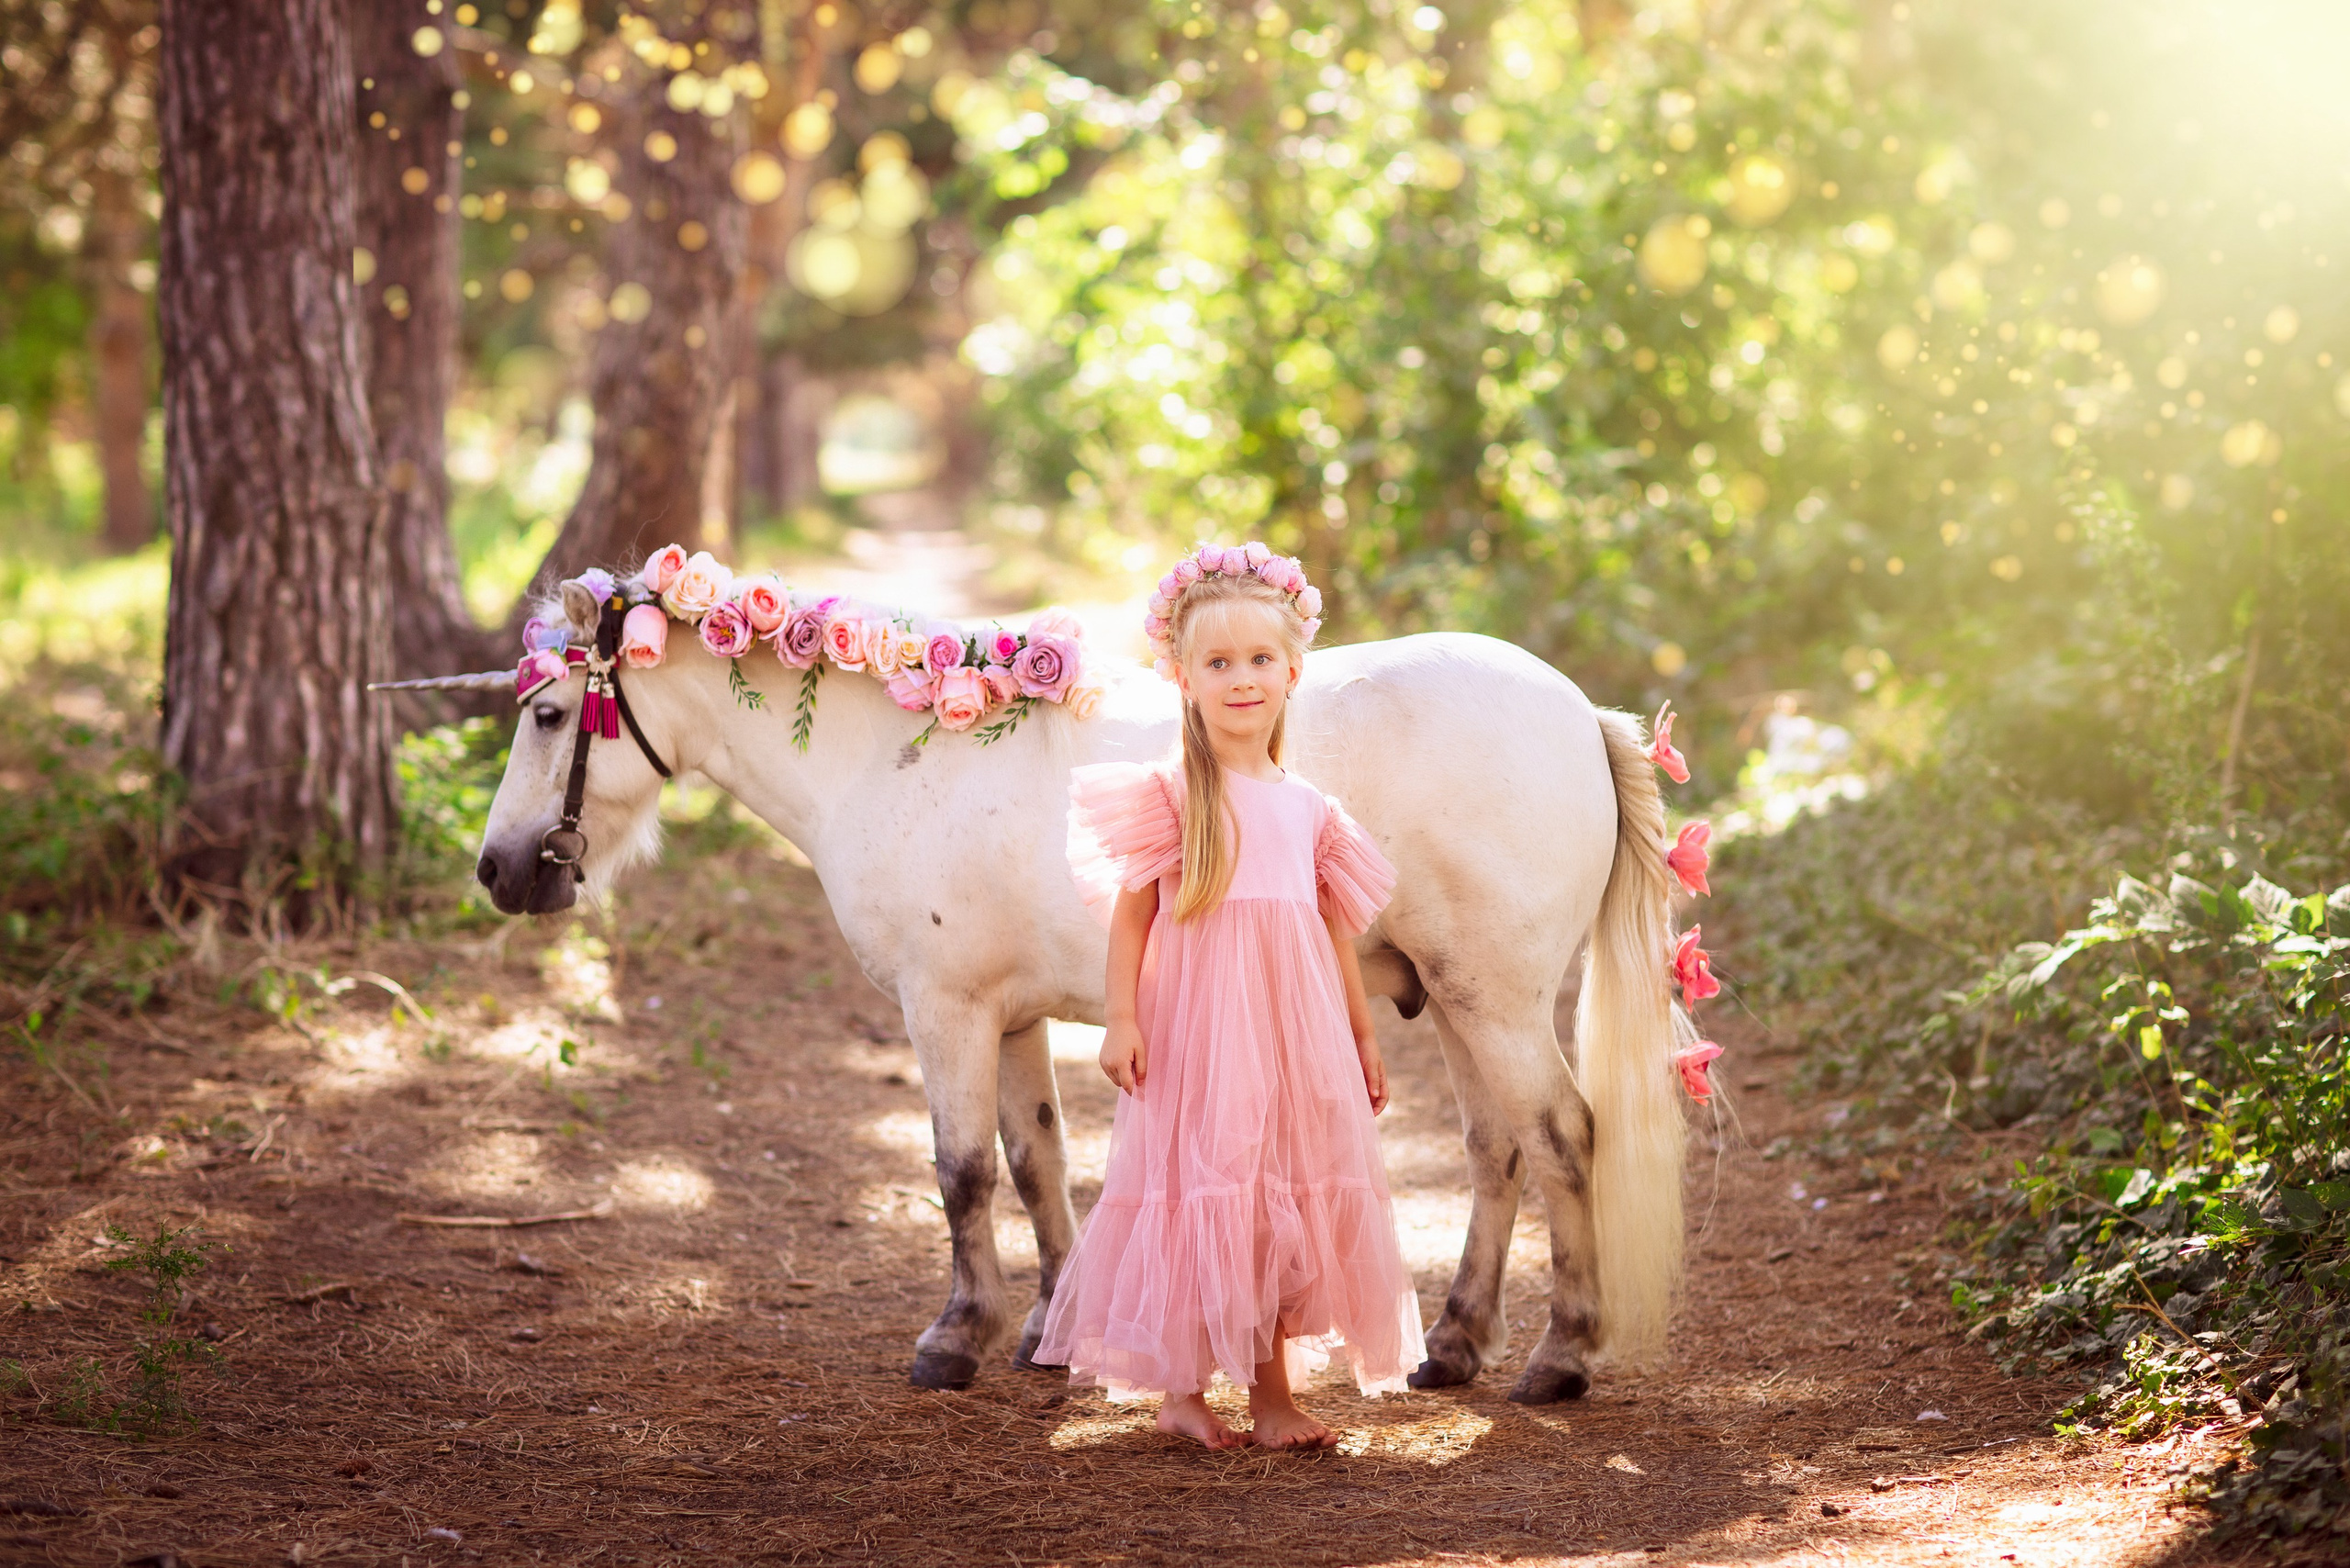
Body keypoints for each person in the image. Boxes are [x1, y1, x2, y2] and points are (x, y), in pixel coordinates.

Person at [1035, 543, 1425, 1451]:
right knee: (1206, 1189)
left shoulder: (1311, 808)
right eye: (1218, 662)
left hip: (1297, 1035)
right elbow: (1133, 919)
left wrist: (1361, 1038)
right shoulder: (1172, 795)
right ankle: (1183, 1390)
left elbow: (1334, 937)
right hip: (1203, 1035)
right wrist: (1122, 1017)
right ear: (1183, 676)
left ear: (1292, 671)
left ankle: (1270, 1395)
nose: (1241, 678)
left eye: (1259, 660)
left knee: (1278, 1196)